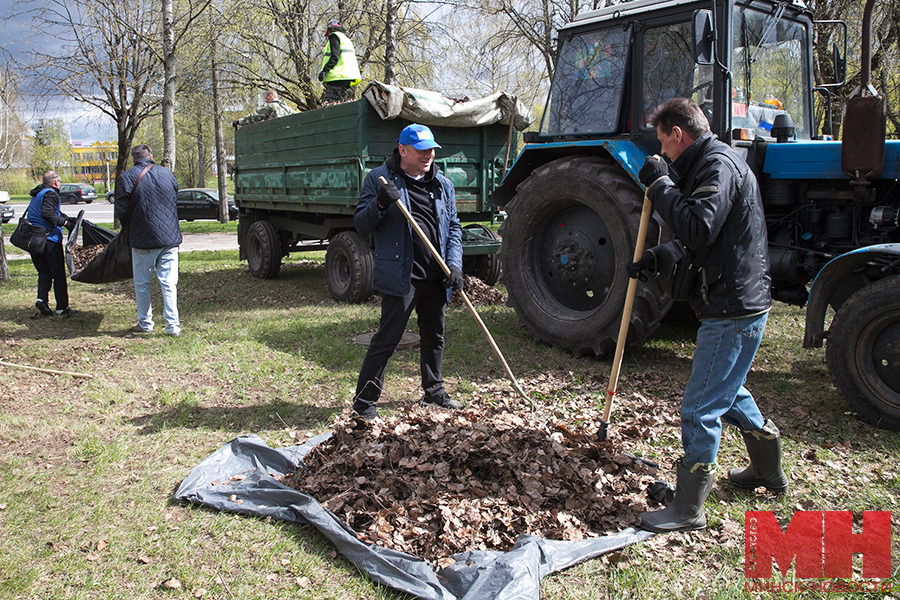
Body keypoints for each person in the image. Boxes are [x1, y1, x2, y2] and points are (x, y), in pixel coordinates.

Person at [629, 98, 787, 533]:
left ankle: (688, 508)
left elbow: (698, 226)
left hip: (732, 307)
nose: (663, 151)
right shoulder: (711, 165)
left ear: (678, 133)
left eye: (664, 142)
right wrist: (659, 256)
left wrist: (661, 186)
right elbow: (707, 239)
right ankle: (767, 470)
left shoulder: (718, 166)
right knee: (729, 390)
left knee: (700, 407)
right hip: (740, 300)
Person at [351, 123, 463, 420]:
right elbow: (361, 224)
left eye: (432, 150)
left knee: (434, 335)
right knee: (388, 338)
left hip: (436, 275)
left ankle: (434, 391)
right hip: (402, 275)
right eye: (422, 150)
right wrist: (380, 203)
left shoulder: (443, 184)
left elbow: (453, 228)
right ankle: (364, 403)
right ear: (403, 150)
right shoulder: (379, 179)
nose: (429, 155)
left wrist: (454, 264)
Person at [115, 144, 183, 337]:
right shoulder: (167, 174)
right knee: (169, 284)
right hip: (169, 238)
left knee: (143, 283)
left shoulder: (127, 177)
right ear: (150, 156)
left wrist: (129, 227)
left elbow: (121, 210)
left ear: (133, 159)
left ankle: (145, 323)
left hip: (143, 239)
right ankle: (173, 326)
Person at [27, 171, 78, 317]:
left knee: (44, 271)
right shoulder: (51, 194)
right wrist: (65, 223)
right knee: (59, 275)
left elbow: (55, 212)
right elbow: (48, 213)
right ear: (55, 182)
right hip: (49, 240)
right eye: (60, 181)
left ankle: (41, 299)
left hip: (34, 240)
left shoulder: (39, 193)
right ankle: (62, 307)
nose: (60, 184)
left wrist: (68, 219)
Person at [318, 20, 361, 106]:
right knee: (339, 102)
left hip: (337, 76)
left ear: (330, 30)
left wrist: (324, 71)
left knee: (330, 103)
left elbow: (335, 56)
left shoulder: (334, 36)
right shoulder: (346, 38)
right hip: (347, 76)